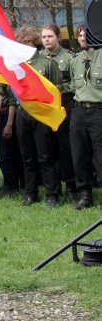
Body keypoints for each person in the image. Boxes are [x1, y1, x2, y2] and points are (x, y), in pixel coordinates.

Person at [15, 26, 61, 207]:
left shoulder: (47, 63)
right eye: (21, 43)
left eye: (27, 42)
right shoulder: (17, 65)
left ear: (34, 43)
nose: (24, 45)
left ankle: (52, 194)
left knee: (45, 156)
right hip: (22, 113)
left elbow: (57, 88)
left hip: (41, 114)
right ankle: (31, 194)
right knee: (27, 157)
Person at [41, 23, 76, 201]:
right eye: (44, 37)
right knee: (47, 149)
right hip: (45, 110)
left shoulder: (69, 58)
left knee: (65, 148)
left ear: (58, 38)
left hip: (64, 107)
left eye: (50, 36)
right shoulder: (39, 58)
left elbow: (75, 83)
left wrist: (59, 89)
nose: (47, 39)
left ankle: (70, 186)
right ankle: (53, 189)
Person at [69, 25, 101, 209]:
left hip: (98, 110)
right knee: (79, 154)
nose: (82, 39)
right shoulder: (76, 61)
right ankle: (85, 195)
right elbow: (74, 85)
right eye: (80, 36)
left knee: (100, 155)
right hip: (79, 111)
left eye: (86, 35)